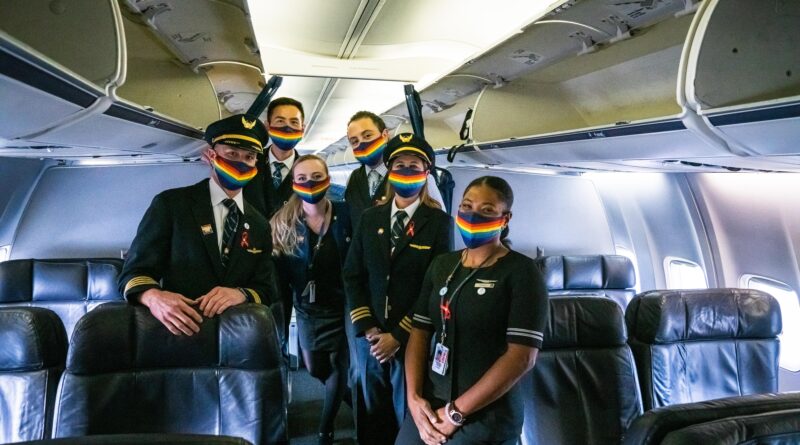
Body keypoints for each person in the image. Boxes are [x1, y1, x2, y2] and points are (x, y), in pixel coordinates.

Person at [395, 176, 549, 445]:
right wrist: (414, 398)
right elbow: (419, 332)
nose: (472, 214)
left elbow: (522, 357)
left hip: (487, 412)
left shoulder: (522, 273)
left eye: (487, 210)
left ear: (505, 218)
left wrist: (456, 413)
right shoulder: (442, 265)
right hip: (432, 400)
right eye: (466, 205)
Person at [119, 113, 276, 335]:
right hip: (180, 331)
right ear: (211, 156)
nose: (241, 162)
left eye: (249, 157)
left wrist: (241, 294)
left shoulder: (259, 223)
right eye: (232, 153)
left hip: (237, 337)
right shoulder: (171, 205)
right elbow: (133, 273)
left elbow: (267, 288)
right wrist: (154, 298)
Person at [343, 133, 452, 444]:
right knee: (371, 411)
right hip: (371, 339)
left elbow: (438, 286)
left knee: (408, 411)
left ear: (426, 171)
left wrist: (399, 334)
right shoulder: (369, 218)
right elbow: (352, 275)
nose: (406, 170)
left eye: (414, 165)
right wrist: (368, 328)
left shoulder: (439, 223)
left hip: (412, 338)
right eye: (399, 165)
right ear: (389, 171)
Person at [270, 154, 352, 445]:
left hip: (342, 305)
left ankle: (325, 429)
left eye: (316, 177)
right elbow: (280, 279)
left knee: (339, 364)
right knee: (315, 367)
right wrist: (278, 322)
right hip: (307, 309)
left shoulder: (346, 215)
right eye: (302, 178)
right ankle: (352, 400)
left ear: (328, 180)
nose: (309, 183)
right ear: (294, 183)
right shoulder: (283, 222)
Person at [243, 96, 305, 343]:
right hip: (251, 261)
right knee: (249, 332)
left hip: (293, 263)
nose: (287, 127)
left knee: (278, 332)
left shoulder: (309, 169)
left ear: (303, 128)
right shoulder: (246, 161)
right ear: (268, 126)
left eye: (294, 122)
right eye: (280, 121)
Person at [345, 111, 445, 230]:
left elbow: (440, 224)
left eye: (367, 136)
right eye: (355, 141)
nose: (362, 144)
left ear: (385, 135)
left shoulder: (417, 176)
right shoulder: (352, 179)